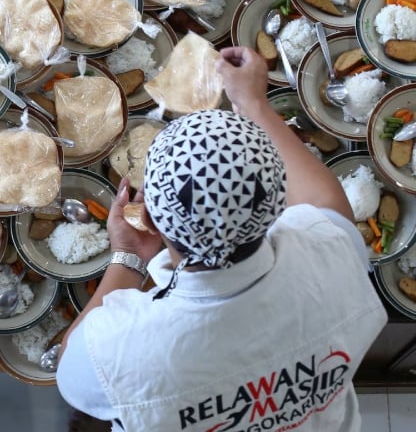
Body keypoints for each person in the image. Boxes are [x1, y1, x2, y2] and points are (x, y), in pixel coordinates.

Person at [55, 47, 387, 432]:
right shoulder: (328, 257)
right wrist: (253, 103)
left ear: (146, 219)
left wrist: (128, 255)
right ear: (277, 205)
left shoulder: (123, 348)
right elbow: (328, 206)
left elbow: (72, 367)